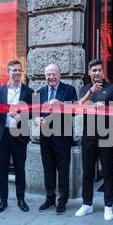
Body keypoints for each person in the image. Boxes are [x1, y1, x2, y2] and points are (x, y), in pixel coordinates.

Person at [74, 59, 113, 221]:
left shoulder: (112, 89)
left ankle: (108, 206)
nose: (96, 73)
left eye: (99, 70)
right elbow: (78, 107)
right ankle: (87, 204)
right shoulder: (85, 89)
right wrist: (91, 93)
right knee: (87, 172)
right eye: (93, 70)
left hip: (106, 136)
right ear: (89, 73)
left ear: (103, 72)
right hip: (88, 136)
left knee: (108, 173)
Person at [35, 63, 78, 215]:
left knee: (63, 171)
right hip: (45, 137)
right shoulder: (40, 92)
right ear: (45, 76)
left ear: (60, 75)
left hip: (62, 137)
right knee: (48, 170)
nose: (51, 77)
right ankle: (49, 198)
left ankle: (62, 201)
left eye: (54, 74)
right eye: (48, 75)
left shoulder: (69, 90)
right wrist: (36, 120)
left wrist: (59, 104)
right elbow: (35, 113)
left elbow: (74, 111)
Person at [0, 61, 33, 213]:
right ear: (8, 72)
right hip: (3, 135)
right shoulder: (0, 90)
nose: (16, 72)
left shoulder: (28, 91)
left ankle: (21, 199)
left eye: (19, 70)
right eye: (13, 70)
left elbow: (34, 113)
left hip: (19, 135)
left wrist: (21, 116)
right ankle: (3, 200)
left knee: (20, 169)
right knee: (2, 169)